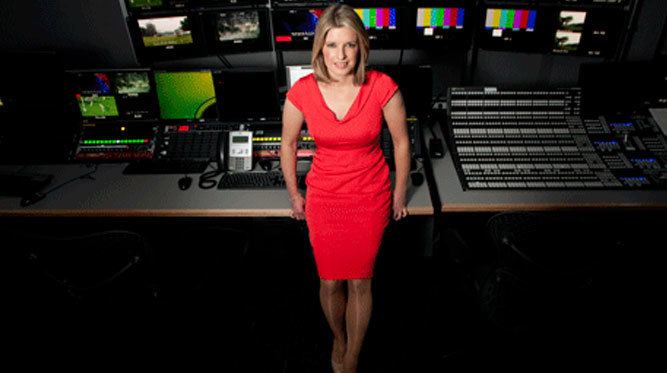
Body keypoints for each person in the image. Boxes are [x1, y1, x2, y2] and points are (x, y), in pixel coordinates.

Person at [280, 4, 410, 373]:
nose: (341, 56)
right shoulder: (303, 91)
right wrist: (294, 194)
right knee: (330, 280)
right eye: (332, 45)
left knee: (359, 282)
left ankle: (352, 357)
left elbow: (401, 143)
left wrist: (399, 194)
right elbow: (287, 144)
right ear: (320, 48)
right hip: (324, 197)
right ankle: (339, 336)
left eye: (349, 45)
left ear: (361, 47)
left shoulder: (382, 86)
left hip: (369, 194)